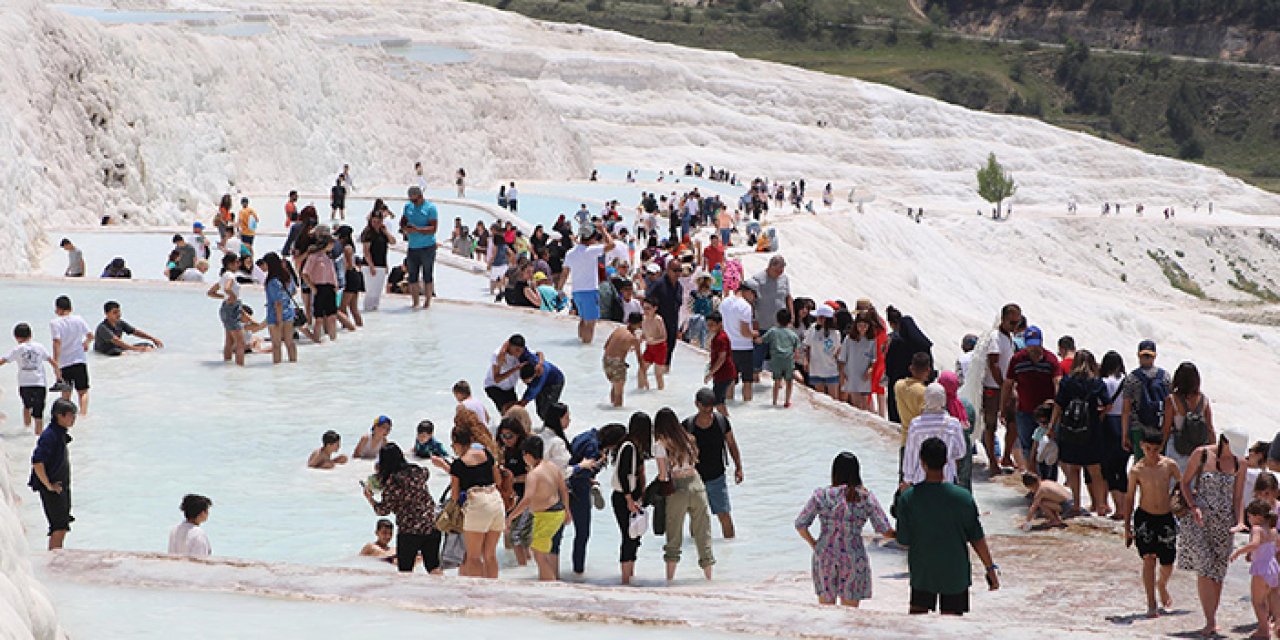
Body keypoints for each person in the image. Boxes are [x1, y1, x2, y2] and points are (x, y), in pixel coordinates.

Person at [895, 438, 999, 616]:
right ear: (946, 461)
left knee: (917, 624)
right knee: (952, 626)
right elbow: (976, 537)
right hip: (955, 574)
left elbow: (903, 540)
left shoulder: (908, 498)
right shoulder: (963, 497)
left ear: (922, 462)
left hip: (923, 573)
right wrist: (990, 569)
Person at [795, 452, 893, 606]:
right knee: (850, 613)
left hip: (825, 555)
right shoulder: (865, 497)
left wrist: (815, 545)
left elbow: (800, 525)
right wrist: (907, 536)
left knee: (826, 611)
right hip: (853, 556)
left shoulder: (821, 495)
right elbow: (884, 530)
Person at [1177, 436, 1248, 636]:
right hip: (1199, 521)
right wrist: (1193, 506)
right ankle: (1210, 621)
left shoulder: (1240, 463)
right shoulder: (1202, 454)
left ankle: (1211, 618)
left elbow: (1238, 497)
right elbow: (1185, 483)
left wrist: (1240, 521)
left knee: (1217, 572)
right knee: (1205, 567)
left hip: (1224, 524)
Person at [1124, 432, 1181, 618]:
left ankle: (1162, 585)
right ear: (1141, 446)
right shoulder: (1136, 470)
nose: (1151, 453)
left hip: (1165, 517)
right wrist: (1127, 527)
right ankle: (1151, 603)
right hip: (1145, 517)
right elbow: (1129, 498)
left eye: (1155, 449)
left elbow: (1182, 485)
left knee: (1168, 562)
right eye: (1148, 448)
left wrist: (1181, 501)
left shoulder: (1169, 465)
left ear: (1161, 447)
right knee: (1148, 558)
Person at [654, 407, 714, 581]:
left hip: (677, 488)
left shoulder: (660, 444)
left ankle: (670, 581)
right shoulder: (689, 439)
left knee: (673, 536)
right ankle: (709, 579)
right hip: (697, 484)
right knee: (703, 533)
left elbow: (663, 475)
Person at [364, 443, 441, 574]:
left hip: (409, 530)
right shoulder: (417, 471)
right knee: (433, 566)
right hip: (431, 525)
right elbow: (426, 473)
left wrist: (370, 498)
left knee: (405, 571)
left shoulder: (392, 483)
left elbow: (383, 510)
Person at [563, 423, 626, 575]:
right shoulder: (594, 448)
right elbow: (584, 469)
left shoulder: (585, 435)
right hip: (578, 489)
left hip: (563, 484)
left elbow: (572, 459)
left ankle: (549, 568)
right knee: (582, 533)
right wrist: (597, 466)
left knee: (557, 531)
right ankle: (578, 570)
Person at [1050, 350, 1107, 516]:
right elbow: (1108, 403)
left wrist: (1051, 426)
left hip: (1070, 429)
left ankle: (1076, 505)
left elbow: (1058, 405)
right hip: (1091, 430)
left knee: (1074, 468)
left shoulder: (1067, 381)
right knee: (1095, 470)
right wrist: (1098, 416)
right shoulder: (1096, 382)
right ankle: (1101, 506)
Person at [506, 437, 569, 581]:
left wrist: (511, 516)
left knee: (540, 556)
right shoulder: (552, 466)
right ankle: (546, 582)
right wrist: (567, 510)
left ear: (528, 455)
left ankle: (550, 585)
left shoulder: (533, 475)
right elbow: (564, 489)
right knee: (542, 553)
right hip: (557, 512)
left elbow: (527, 499)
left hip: (546, 516)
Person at [446, 424, 505, 578]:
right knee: (490, 555)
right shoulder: (486, 454)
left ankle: (478, 591)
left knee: (473, 556)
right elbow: (498, 480)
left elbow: (454, 495)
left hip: (477, 503)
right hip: (496, 500)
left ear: (456, 443)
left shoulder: (458, 464)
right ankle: (493, 587)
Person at [685, 388, 744, 539]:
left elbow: (731, 444)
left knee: (724, 515)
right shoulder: (688, 425)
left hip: (717, 477)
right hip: (694, 479)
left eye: (711, 405)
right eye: (705, 405)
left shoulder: (721, 422)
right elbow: (676, 451)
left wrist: (739, 467)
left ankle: (730, 548)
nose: (708, 409)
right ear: (697, 404)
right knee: (696, 518)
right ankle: (694, 549)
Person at [1000, 326, 1060, 473]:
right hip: (1025, 411)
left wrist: (1056, 409)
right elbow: (1008, 384)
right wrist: (1003, 408)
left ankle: (1048, 479)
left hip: (1046, 413)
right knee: (1027, 446)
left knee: (1049, 446)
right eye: (1030, 345)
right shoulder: (1017, 359)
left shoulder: (1051, 360)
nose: (1034, 348)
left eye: (1036, 344)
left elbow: (1058, 383)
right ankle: (1034, 478)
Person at [977, 304, 1022, 476]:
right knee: (991, 425)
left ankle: (1006, 456)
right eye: (1012, 322)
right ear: (1003, 320)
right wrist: (1002, 384)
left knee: (1013, 421)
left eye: (1018, 323)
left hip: (1007, 386)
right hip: (994, 388)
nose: (1015, 326)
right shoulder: (996, 337)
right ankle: (992, 461)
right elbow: (993, 363)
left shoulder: (1008, 337)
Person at [29, 399, 78, 550]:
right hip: (52, 489)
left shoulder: (59, 433)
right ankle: (54, 559)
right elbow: (37, 462)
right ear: (59, 415)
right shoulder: (50, 435)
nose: (74, 419)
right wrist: (49, 485)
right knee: (58, 528)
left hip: (60, 487)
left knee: (62, 527)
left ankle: (56, 557)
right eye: (71, 415)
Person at [901, 383, 967, 488]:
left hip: (921, 479)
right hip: (946, 478)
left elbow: (911, 455)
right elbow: (961, 452)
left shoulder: (916, 424)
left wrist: (907, 479)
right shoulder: (953, 424)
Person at [1230, 500, 1280, 638]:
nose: (1249, 519)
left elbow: (1255, 544)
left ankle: (1263, 630)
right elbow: (1276, 545)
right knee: (1272, 596)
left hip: (1261, 568)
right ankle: (1277, 623)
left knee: (1258, 601)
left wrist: (1239, 552)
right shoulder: (1273, 530)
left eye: (1249, 516)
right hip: (1273, 567)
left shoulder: (1257, 529)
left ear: (1258, 517)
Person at [612, 412, 650, 584]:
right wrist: (629, 499)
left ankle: (630, 576)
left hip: (630, 496)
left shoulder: (633, 446)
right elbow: (623, 474)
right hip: (624, 497)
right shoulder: (629, 447)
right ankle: (625, 579)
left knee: (634, 536)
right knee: (628, 536)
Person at [0, 323, 60, 433]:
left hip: (24, 384)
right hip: (39, 383)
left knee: (27, 406)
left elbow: (3, 360)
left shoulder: (17, 349)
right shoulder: (39, 347)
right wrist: (58, 377)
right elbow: (53, 362)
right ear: (31, 335)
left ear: (16, 337)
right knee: (39, 413)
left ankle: (26, 429)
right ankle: (38, 435)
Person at [563, 222, 616, 343]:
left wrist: (559, 289)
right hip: (589, 291)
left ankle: (580, 342)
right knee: (590, 323)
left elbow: (565, 273)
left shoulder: (570, 253)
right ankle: (586, 346)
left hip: (576, 292)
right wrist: (603, 230)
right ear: (591, 238)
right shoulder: (592, 251)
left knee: (583, 320)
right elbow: (612, 245)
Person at [1121, 340, 1172, 464]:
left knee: (1141, 463)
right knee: (1160, 463)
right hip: (1160, 425)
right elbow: (1169, 404)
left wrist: (1125, 434)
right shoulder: (1165, 376)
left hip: (1138, 426)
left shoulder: (1132, 378)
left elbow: (1126, 409)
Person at [1162, 361, 1214, 471]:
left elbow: (1166, 429)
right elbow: (1210, 428)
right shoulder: (1203, 400)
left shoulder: (1172, 400)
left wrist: (1160, 448)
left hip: (1177, 447)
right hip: (1197, 449)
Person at [884, 306, 932, 424]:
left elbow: (889, 363)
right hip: (918, 383)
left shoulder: (897, 342)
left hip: (898, 382)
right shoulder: (922, 345)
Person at [749, 256, 793, 378]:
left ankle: (778, 380)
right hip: (762, 324)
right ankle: (754, 378)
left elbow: (788, 297)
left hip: (780, 325)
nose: (780, 273)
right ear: (770, 266)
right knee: (758, 355)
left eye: (782, 270)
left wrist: (791, 316)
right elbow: (751, 301)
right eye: (777, 270)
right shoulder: (758, 279)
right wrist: (753, 319)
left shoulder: (784, 279)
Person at [1099, 351, 1130, 519]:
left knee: (1109, 469)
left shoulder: (1104, 382)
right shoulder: (1128, 381)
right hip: (1125, 424)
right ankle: (1126, 507)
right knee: (1122, 468)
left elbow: (1101, 405)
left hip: (1108, 425)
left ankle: (1119, 508)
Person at [49, 296, 92, 415]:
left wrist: (55, 363)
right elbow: (90, 335)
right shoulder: (79, 319)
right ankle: (83, 416)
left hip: (64, 362)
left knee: (66, 393)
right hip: (79, 360)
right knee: (83, 392)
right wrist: (86, 343)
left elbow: (57, 342)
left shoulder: (55, 323)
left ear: (57, 309)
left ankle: (66, 417)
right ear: (71, 308)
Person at [894, 353, 932, 480]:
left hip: (905, 439)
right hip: (920, 442)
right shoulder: (924, 392)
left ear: (911, 368)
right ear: (928, 370)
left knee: (904, 481)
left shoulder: (898, 385)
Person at [402, 186, 440, 310]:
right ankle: (415, 302)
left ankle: (427, 302)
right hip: (412, 246)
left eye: (415, 200)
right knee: (412, 275)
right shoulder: (408, 207)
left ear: (420, 196)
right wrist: (405, 228)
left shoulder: (430, 208)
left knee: (427, 274)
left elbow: (433, 228)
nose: (413, 202)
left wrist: (417, 229)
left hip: (427, 247)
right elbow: (403, 221)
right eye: (411, 200)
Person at [483, 335, 542, 414]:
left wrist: (540, 364)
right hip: (494, 386)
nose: (518, 353)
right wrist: (516, 369)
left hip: (509, 388)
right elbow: (496, 379)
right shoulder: (498, 355)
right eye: (516, 350)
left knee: (516, 412)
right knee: (508, 411)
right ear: (510, 346)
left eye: (520, 350)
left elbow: (539, 353)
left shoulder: (523, 352)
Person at [260, 252, 298, 364]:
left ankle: (277, 367)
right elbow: (293, 292)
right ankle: (293, 363)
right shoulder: (285, 277)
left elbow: (278, 303)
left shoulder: (272, 282)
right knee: (289, 342)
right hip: (288, 312)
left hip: (276, 315)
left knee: (276, 345)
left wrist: (279, 319)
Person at [761, 309, 801, 407]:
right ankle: (787, 401)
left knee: (777, 381)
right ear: (790, 321)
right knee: (789, 381)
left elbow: (762, 340)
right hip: (788, 360)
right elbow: (796, 350)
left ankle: (774, 401)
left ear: (777, 320)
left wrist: (753, 338)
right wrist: (795, 358)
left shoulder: (773, 331)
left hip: (776, 360)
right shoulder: (793, 334)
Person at [646, 258, 683, 363]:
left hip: (672, 325)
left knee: (668, 353)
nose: (677, 273)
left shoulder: (679, 287)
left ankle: (665, 372)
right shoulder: (658, 284)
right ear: (668, 270)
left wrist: (678, 328)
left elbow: (678, 307)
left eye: (679, 270)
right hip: (659, 325)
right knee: (653, 354)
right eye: (675, 270)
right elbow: (648, 302)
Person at [603, 312, 644, 407]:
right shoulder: (633, 339)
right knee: (619, 393)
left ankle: (611, 406)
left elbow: (606, 346)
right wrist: (643, 374)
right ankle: (617, 412)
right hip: (617, 363)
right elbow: (639, 358)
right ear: (639, 324)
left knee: (615, 386)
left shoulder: (618, 329)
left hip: (606, 360)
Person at [93, 301, 163, 356]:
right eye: (115, 312)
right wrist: (137, 349)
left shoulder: (120, 323)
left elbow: (135, 332)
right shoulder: (102, 327)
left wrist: (153, 339)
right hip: (106, 351)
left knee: (148, 345)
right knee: (120, 353)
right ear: (107, 314)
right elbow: (117, 341)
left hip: (119, 347)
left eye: (119, 311)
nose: (118, 314)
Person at [839, 312, 878, 411]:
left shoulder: (871, 340)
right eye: (860, 326)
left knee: (864, 404)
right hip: (851, 375)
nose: (862, 328)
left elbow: (874, 359)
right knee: (856, 404)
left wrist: (870, 369)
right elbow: (842, 359)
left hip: (864, 377)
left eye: (865, 326)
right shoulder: (849, 339)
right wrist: (842, 376)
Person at [359, 208, 396, 312]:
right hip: (369, 265)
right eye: (374, 221)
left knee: (377, 291)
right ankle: (367, 309)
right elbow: (366, 251)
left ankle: (374, 310)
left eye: (378, 221)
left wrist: (386, 231)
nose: (376, 224)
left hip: (381, 265)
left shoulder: (383, 233)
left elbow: (393, 242)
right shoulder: (368, 233)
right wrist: (371, 266)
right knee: (371, 291)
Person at [804, 306, 841, 400]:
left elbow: (837, 351)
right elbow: (807, 346)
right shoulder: (812, 328)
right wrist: (806, 361)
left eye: (819, 317)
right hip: (816, 369)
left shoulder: (835, 333)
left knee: (833, 399)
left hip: (831, 370)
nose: (817, 319)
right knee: (820, 399)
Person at [704, 312, 736, 416]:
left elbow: (722, 357)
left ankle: (726, 421)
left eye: (712, 325)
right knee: (718, 400)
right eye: (708, 325)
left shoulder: (720, 338)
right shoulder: (719, 336)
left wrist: (711, 373)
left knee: (718, 402)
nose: (709, 327)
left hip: (724, 373)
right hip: (723, 373)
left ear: (720, 324)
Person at [335, 225, 364, 328]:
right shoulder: (350, 247)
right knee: (353, 307)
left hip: (350, 276)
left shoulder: (346, 248)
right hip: (355, 276)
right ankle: (359, 326)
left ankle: (348, 327)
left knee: (342, 307)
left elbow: (349, 265)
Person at [638, 298, 668, 391]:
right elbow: (644, 334)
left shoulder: (658, 319)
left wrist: (654, 340)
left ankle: (660, 393)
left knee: (658, 374)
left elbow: (664, 337)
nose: (645, 311)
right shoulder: (643, 319)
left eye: (648, 308)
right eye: (644, 308)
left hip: (660, 348)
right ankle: (640, 391)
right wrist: (638, 341)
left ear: (655, 308)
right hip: (649, 348)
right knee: (641, 370)